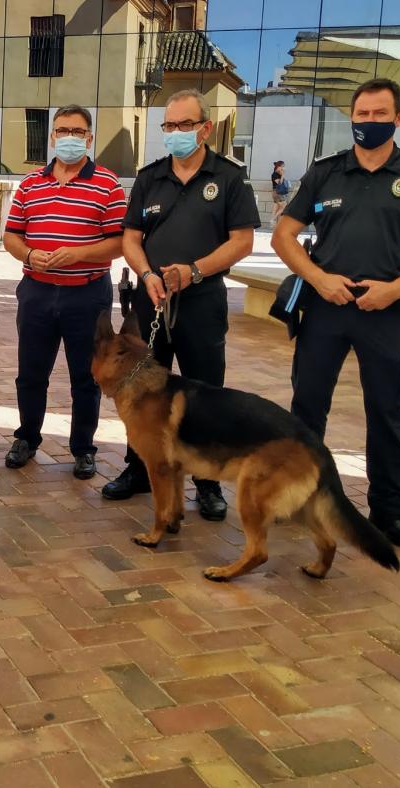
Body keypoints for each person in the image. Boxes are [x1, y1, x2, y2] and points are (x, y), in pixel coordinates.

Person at [271, 78, 400, 548]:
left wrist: (396, 290)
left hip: (387, 313)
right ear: (352, 117)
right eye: (362, 114)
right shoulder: (326, 172)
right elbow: (284, 236)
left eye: (379, 114)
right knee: (307, 408)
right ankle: (300, 494)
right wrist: (318, 279)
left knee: (386, 412)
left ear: (398, 118)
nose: (368, 122)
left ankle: (389, 512)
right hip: (328, 310)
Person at [105, 89, 259, 521]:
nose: (175, 133)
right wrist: (149, 275)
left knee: (204, 393)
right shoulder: (150, 177)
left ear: (205, 128)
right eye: (169, 126)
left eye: (184, 125)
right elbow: (131, 239)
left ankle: (207, 484)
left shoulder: (228, 177)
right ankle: (138, 470)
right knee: (142, 391)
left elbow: (242, 241)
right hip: (150, 300)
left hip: (202, 300)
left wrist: (194, 271)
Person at [2, 105, 126, 479]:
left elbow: (119, 242)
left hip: (86, 296)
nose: (68, 138)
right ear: (52, 136)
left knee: (86, 377)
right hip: (37, 293)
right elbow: (11, 235)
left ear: (89, 138)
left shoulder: (108, 184)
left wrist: (79, 254)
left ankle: (83, 448)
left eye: (77, 131)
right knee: (30, 374)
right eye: (62, 131)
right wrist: (28, 254)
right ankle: (26, 438)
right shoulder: (30, 185)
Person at [271, 160, 290, 224]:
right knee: (284, 206)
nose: (283, 168)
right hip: (278, 193)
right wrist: (283, 175)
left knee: (277, 207)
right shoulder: (274, 174)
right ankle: (273, 219)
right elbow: (280, 183)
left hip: (277, 193)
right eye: (282, 166)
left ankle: (275, 222)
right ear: (278, 166)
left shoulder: (278, 174)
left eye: (284, 167)